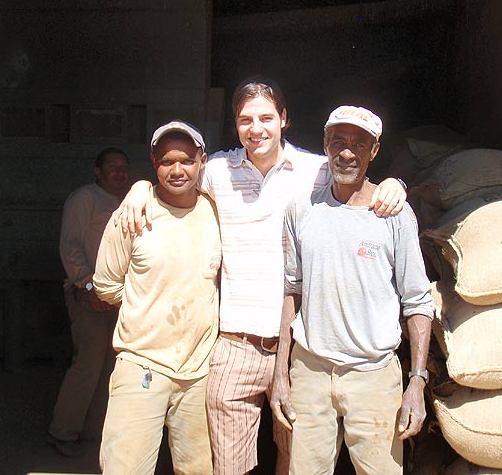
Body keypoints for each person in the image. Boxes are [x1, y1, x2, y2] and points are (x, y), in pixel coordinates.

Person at [119, 78, 407, 475]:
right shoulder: (217, 171)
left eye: (266, 118)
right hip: (234, 345)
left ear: (283, 119)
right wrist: (139, 187)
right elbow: (174, 179)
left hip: (299, 349)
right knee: (229, 466)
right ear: (236, 125)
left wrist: (396, 184)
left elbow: (358, 177)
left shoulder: (316, 171)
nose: (257, 129)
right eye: (246, 120)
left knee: (297, 460)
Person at [270, 105, 435, 475]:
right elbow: (292, 291)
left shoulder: (393, 215)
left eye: (359, 144)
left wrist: (417, 382)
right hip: (311, 372)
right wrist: (281, 374)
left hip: (374, 376)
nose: (347, 152)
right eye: (338, 141)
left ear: (374, 151)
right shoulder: (301, 210)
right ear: (325, 145)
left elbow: (418, 302)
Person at [93, 121, 221, 475]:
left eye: (187, 160)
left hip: (199, 372)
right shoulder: (132, 214)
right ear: (153, 162)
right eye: (167, 161)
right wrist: (147, 302)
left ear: (202, 161)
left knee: (199, 470)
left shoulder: (215, 212)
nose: (177, 170)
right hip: (141, 366)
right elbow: (106, 285)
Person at [46, 147, 130, 457]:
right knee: (88, 365)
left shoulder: (128, 203)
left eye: (123, 167)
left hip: (119, 298)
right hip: (88, 295)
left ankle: (93, 432)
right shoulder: (85, 198)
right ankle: (62, 432)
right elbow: (70, 247)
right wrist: (89, 284)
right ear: (97, 171)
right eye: (112, 166)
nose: (119, 172)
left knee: (112, 366)